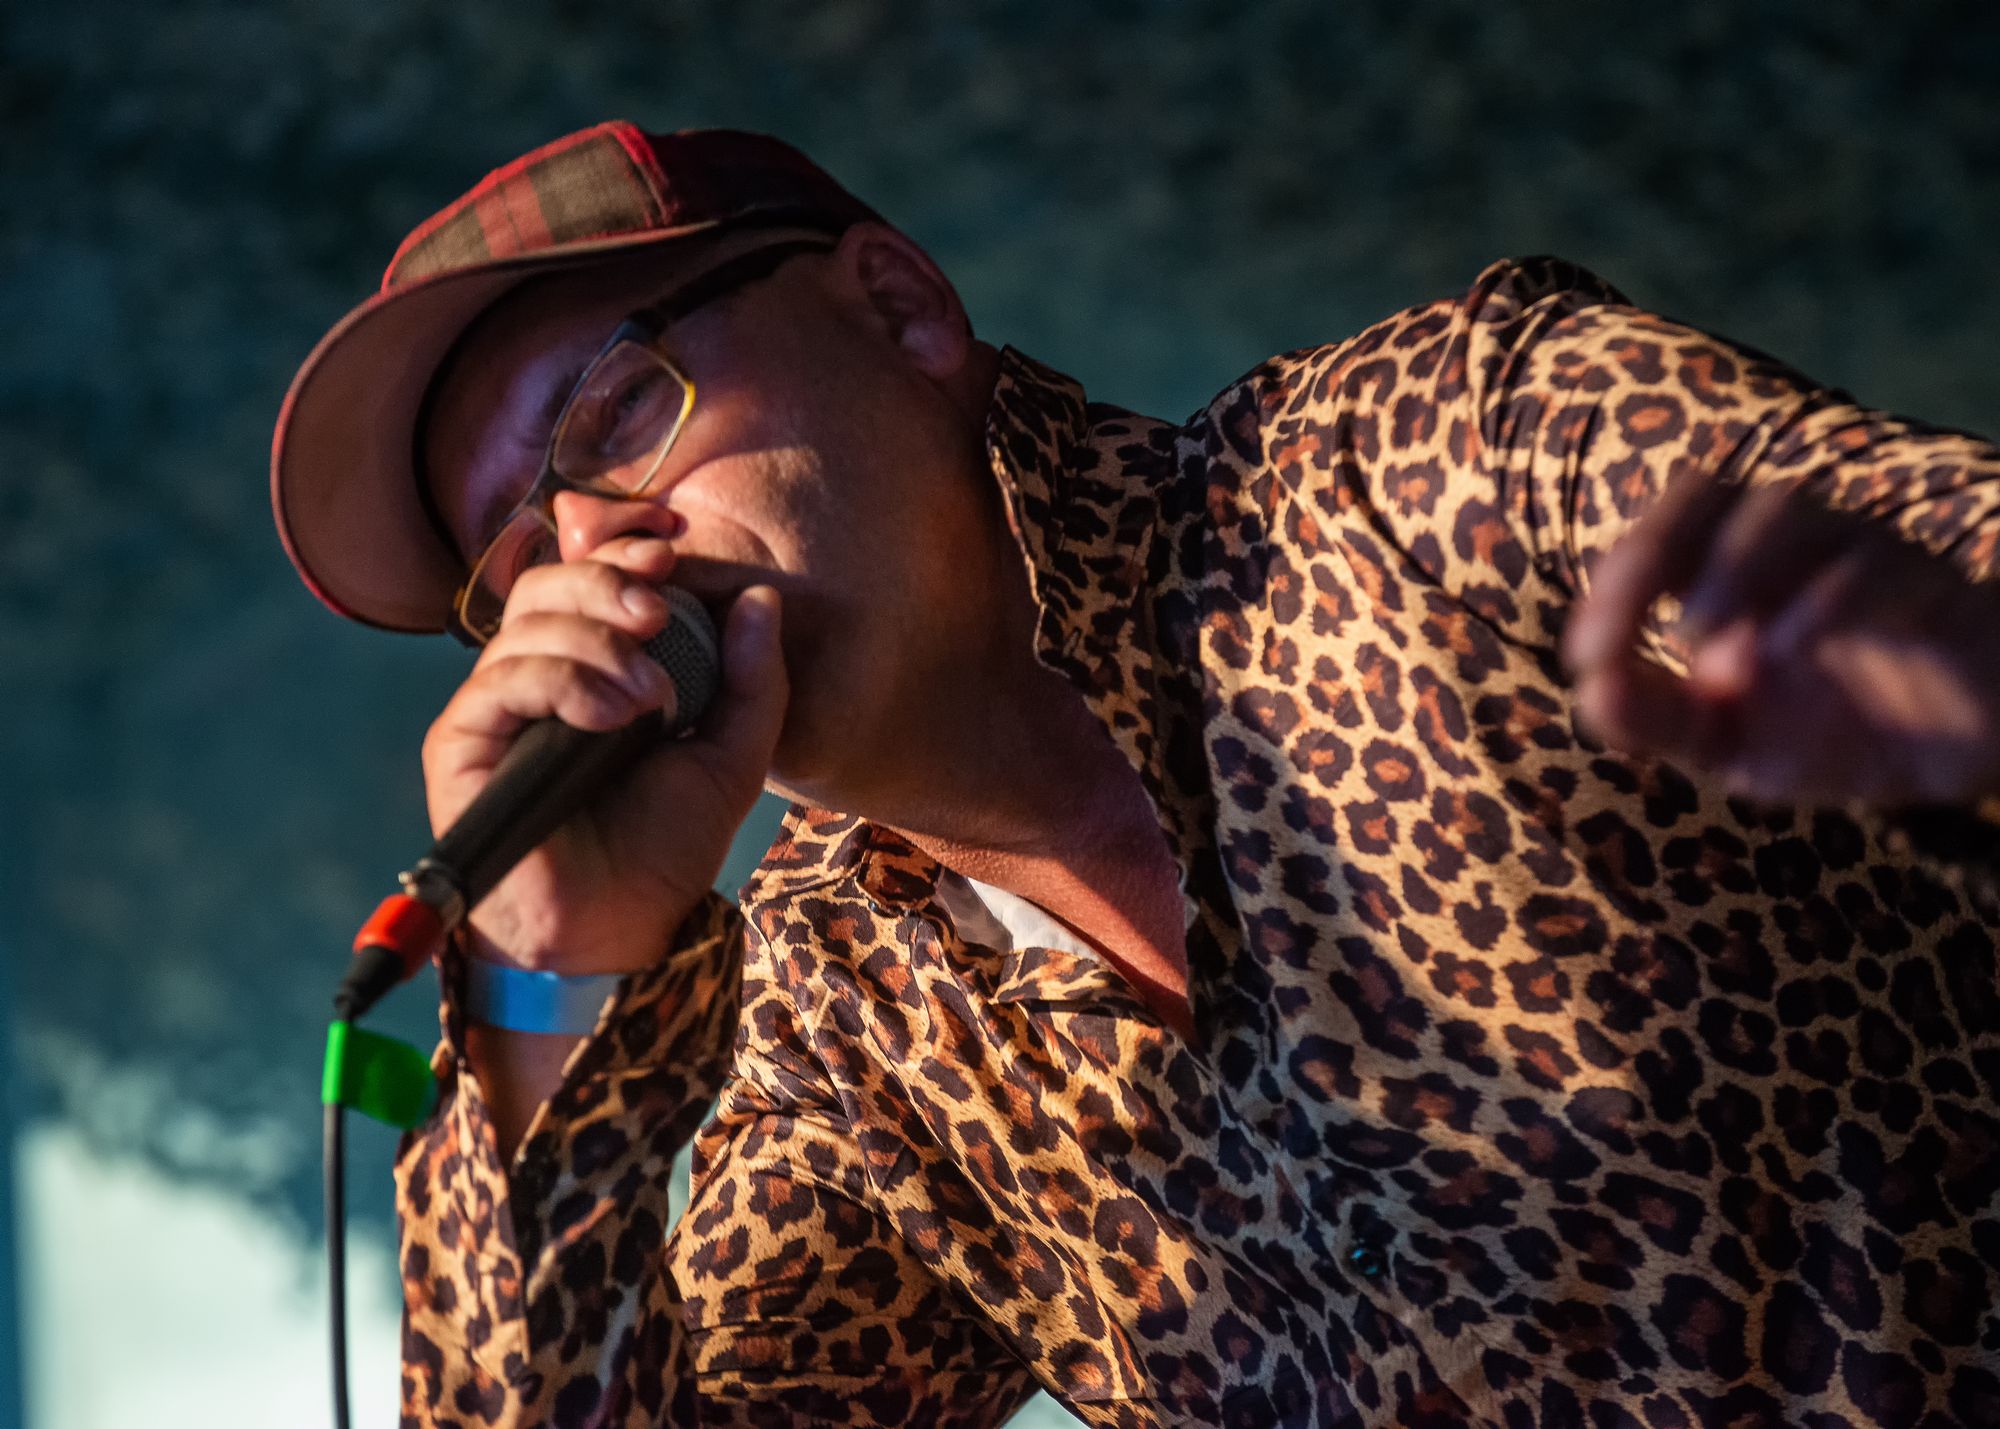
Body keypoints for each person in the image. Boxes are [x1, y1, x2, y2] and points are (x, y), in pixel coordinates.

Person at [271, 121, 2000, 1427]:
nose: (592, 556)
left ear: (897, 307)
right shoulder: (846, 1037)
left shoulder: (1433, 467)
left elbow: (1947, 561)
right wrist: (544, 987)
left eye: (613, 416)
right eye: (517, 561)